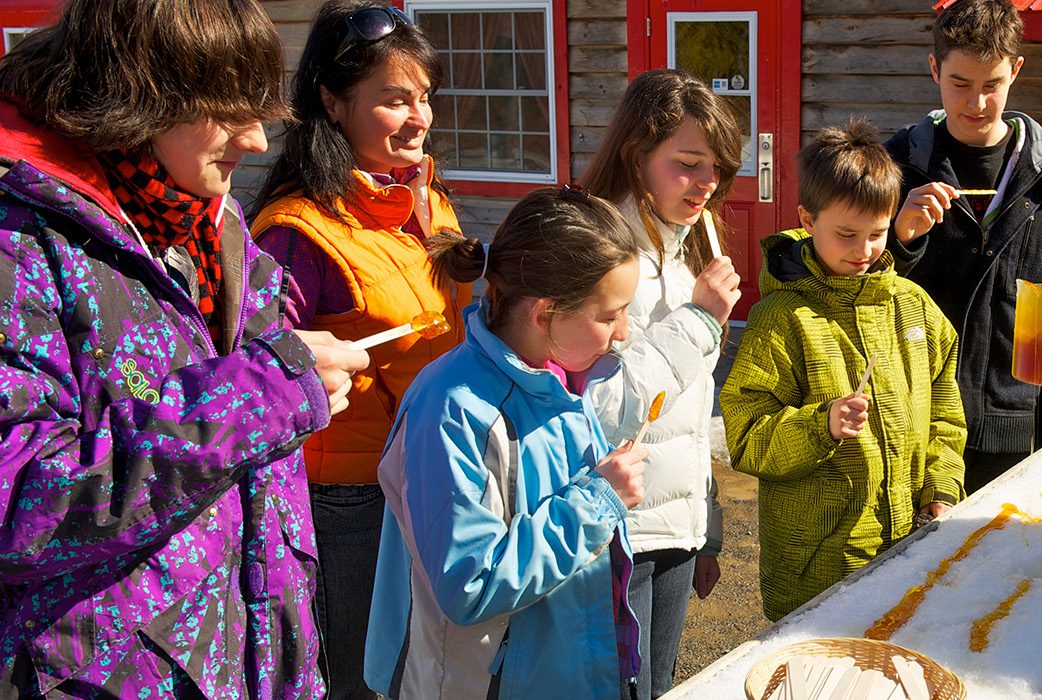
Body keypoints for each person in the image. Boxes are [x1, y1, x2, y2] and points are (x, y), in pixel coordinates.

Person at [0, 0, 371, 696]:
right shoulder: (20, 244)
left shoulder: (208, 222)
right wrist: (258, 396)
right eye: (227, 113)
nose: (255, 140)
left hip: (250, 658)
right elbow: (19, 502)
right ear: (136, 99)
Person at [249, 3, 472, 696]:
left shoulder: (421, 199)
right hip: (352, 502)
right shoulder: (298, 233)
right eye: (394, 99)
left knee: (427, 666)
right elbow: (260, 376)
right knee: (359, 679)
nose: (419, 117)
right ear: (332, 101)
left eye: (425, 97)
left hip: (433, 474)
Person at [364, 187, 647, 699]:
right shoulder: (452, 408)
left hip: (563, 676)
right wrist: (598, 502)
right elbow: (469, 584)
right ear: (544, 314)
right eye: (610, 315)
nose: (624, 332)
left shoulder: (558, 377)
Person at [722, 119, 967, 621]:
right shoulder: (782, 319)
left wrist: (941, 488)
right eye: (846, 235)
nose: (864, 251)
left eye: (877, 234)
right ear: (807, 220)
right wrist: (821, 425)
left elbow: (945, 418)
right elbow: (746, 437)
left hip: (906, 549)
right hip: (819, 568)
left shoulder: (914, 308)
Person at [885, 0, 1042, 493]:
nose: (977, 103)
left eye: (992, 85)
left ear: (1016, 70)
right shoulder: (894, 167)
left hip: (1015, 431)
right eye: (960, 84)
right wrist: (899, 239)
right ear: (934, 68)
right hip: (909, 422)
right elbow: (849, 287)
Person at [578, 68, 743, 699]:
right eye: (688, 164)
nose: (707, 184)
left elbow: (689, 414)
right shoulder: (602, 256)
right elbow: (600, 404)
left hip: (676, 525)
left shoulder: (685, 249)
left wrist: (707, 527)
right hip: (616, 528)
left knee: (660, 685)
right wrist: (699, 320)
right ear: (636, 154)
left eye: (716, 169)